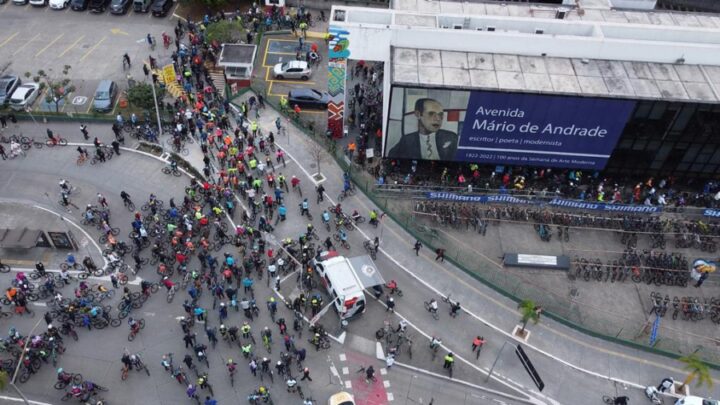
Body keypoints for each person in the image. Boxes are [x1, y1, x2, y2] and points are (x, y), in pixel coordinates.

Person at [387, 98, 459, 160]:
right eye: (431, 114)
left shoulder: (451, 137)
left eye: (440, 115)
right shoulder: (407, 140)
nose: (438, 119)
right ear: (418, 114)